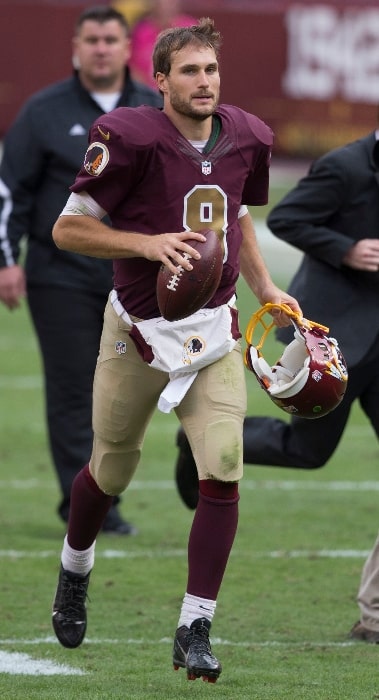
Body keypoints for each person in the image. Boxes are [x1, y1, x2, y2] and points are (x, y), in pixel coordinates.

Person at [50, 17, 301, 681]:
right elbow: (67, 229)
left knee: (222, 466)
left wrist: (267, 285)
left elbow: (238, 215)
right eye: (188, 71)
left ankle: (194, 625)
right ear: (158, 80)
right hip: (135, 331)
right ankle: (75, 567)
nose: (203, 82)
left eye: (210, 70)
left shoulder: (247, 134)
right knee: (111, 469)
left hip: (213, 329)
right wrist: (146, 244)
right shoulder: (129, 137)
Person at [174, 124, 379, 643]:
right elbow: (286, 217)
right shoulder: (346, 166)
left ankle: (374, 615)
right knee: (308, 452)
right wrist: (347, 248)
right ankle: (196, 442)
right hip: (330, 340)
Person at [0, 5, 163, 534]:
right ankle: (89, 508)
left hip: (138, 275)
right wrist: (7, 261)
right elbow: (11, 191)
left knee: (133, 390)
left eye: (109, 38)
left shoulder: (153, 107)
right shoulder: (42, 111)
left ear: (125, 46)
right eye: (90, 39)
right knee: (73, 389)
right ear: (76, 46)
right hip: (60, 274)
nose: (100, 48)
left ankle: (109, 489)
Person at [129, 0, 196, 88]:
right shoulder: (141, 31)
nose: (165, 5)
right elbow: (131, 68)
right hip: (148, 94)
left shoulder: (191, 28)